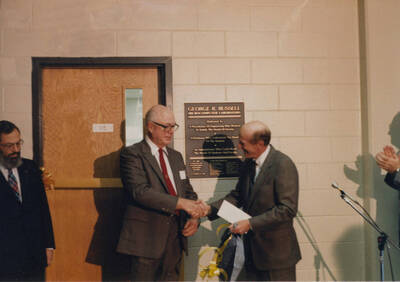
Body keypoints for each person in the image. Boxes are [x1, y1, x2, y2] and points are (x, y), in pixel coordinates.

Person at [202, 120, 301, 281]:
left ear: (260, 144)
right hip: (253, 255)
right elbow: (237, 196)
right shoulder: (248, 164)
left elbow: (287, 209)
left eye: (242, 143)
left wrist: (250, 223)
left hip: (277, 258)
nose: (239, 147)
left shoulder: (283, 164)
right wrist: (208, 209)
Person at [116, 105, 206, 281]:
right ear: (150, 127)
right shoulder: (132, 154)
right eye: (166, 126)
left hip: (176, 237)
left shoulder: (176, 156)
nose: (170, 131)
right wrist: (181, 203)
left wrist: (194, 217)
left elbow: (188, 191)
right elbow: (140, 191)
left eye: (173, 126)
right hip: (147, 238)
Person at [0, 120, 55, 281]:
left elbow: (43, 209)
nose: (15, 150)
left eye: (18, 143)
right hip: (5, 256)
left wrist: (49, 245)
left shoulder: (30, 167)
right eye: (9, 146)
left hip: (34, 254)